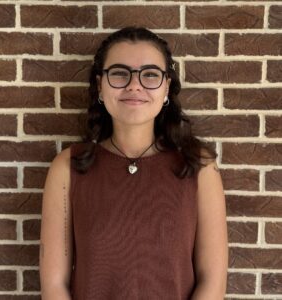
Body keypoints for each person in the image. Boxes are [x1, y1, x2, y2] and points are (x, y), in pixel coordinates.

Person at [40, 27, 228, 300]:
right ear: (100, 86)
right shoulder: (68, 168)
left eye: (150, 74)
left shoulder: (198, 167)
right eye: (119, 73)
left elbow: (213, 282)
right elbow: (54, 285)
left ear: (166, 88)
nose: (134, 85)